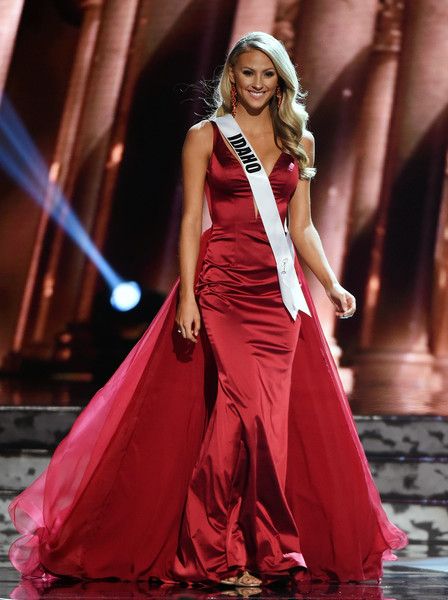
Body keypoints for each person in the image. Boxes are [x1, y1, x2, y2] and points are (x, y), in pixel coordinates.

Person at [8, 31, 408, 589]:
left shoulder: (300, 142)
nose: (258, 84)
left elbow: (303, 226)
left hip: (277, 294)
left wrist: (333, 284)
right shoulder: (205, 136)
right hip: (221, 287)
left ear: (281, 81)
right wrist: (189, 297)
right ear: (231, 76)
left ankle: (248, 549)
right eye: (247, 72)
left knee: (262, 422)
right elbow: (192, 222)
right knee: (243, 413)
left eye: (268, 75)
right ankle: (214, 550)